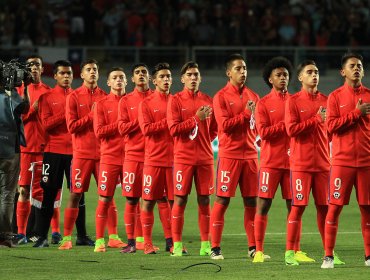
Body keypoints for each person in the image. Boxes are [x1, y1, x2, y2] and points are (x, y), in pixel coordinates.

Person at [322, 53, 370, 268]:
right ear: (343, 72)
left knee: (367, 209)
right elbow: (330, 127)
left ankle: (369, 256)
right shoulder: (334, 97)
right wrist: (356, 113)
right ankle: (328, 256)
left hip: (367, 163)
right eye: (352, 66)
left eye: (359, 65)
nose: (357, 68)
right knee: (334, 208)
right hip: (342, 162)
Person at [118, 63, 172, 253]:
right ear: (132, 78)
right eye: (137, 72)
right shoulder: (126, 101)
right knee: (132, 200)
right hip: (133, 156)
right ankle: (132, 242)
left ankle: (168, 241)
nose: (141, 75)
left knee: (161, 199)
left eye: (144, 72)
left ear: (150, 78)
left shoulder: (160, 98)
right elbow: (122, 128)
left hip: (157, 156)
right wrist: (141, 121)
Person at [210, 54, 259, 260]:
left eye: (245, 68)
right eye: (238, 68)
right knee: (222, 200)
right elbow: (225, 127)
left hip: (250, 156)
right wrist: (246, 115)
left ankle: (253, 248)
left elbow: (257, 127)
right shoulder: (220, 97)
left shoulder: (253, 96)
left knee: (251, 201)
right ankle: (215, 248)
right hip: (229, 156)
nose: (243, 72)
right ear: (229, 72)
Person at [253, 56, 303, 262]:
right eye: (278, 75)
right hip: (270, 163)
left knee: (294, 206)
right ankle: (258, 251)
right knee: (263, 205)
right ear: (270, 79)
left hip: (293, 163)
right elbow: (263, 132)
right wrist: (286, 124)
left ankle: (295, 251)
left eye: (285, 74)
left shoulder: (296, 101)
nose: (283, 77)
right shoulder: (263, 104)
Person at [167, 61, 217, 256]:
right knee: (180, 200)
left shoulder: (208, 100)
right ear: (182, 79)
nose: (193, 78)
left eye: (196, 74)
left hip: (205, 159)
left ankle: (206, 244)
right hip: (183, 159)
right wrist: (196, 119)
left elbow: (215, 129)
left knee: (205, 200)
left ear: (200, 78)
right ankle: (177, 244)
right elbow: (173, 130)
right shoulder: (176, 100)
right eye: (189, 75)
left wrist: (205, 140)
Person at [284, 60, 331, 265]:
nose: (314, 75)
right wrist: (315, 120)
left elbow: (329, 133)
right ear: (301, 77)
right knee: (298, 207)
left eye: (317, 71)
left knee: (325, 209)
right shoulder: (293, 101)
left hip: (322, 165)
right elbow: (291, 130)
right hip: (301, 165)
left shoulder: (327, 100)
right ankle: (289, 253)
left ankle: (328, 252)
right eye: (310, 72)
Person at [59, 59, 107, 249]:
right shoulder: (74, 97)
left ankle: (108, 237)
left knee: (107, 196)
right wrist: (91, 116)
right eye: (88, 69)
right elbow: (71, 127)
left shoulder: (105, 97)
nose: (92, 72)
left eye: (95, 69)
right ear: (82, 75)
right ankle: (67, 238)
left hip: (104, 154)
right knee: (75, 194)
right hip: (82, 154)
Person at [33, 60, 74, 247]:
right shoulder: (46, 97)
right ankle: (41, 237)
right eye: (62, 73)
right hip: (53, 152)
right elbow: (47, 125)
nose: (66, 76)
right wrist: (67, 112)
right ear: (55, 76)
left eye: (69, 73)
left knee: (77, 195)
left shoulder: (77, 96)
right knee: (48, 195)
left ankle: (78, 236)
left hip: (75, 152)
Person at [137, 62, 174, 254]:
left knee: (174, 203)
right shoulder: (146, 103)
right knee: (149, 201)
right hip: (153, 160)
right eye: (162, 77)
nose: (166, 80)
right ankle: (148, 243)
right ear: (154, 80)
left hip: (175, 161)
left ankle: (172, 242)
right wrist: (169, 122)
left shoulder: (177, 101)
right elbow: (147, 129)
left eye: (168, 76)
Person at [14, 55, 52, 244]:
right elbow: (17, 120)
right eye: (30, 65)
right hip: (25, 149)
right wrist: (32, 109)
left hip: (45, 149)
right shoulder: (18, 91)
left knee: (46, 192)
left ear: (42, 69)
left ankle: (50, 232)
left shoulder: (48, 91)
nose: (34, 68)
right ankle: (21, 233)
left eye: (37, 64)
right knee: (23, 190)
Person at [93, 67, 127, 252]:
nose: (119, 80)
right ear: (108, 82)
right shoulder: (101, 104)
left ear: (126, 81)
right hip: (109, 157)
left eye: (122, 77)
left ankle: (131, 240)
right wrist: (121, 125)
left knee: (134, 199)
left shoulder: (133, 102)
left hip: (131, 157)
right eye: (115, 77)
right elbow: (99, 132)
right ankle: (100, 241)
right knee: (104, 199)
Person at [0, 61, 30, 247]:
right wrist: (24, 87)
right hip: (9, 150)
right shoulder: (11, 96)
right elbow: (24, 108)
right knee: (7, 195)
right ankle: (4, 237)